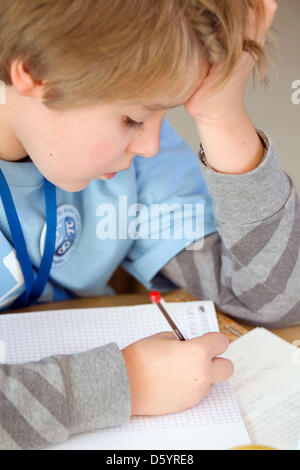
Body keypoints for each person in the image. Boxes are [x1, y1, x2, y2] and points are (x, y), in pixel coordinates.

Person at [0, 0, 294, 451]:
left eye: (164, 113)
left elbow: (274, 298)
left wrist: (221, 115)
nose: (152, 144)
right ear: (36, 74)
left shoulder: (130, 165)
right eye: (133, 118)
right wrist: (128, 382)